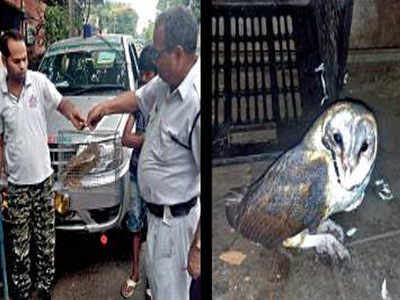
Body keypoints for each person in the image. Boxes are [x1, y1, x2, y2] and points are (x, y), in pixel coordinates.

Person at [87, 6, 200, 300]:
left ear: (176, 53)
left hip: (178, 229)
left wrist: (198, 247)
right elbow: (137, 98)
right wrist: (105, 107)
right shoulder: (165, 85)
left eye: (158, 52)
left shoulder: (195, 104)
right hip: (158, 223)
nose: (153, 58)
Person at [0, 30, 86, 300]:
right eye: (16, 61)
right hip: (16, 186)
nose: (23, 65)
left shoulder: (38, 82)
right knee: (19, 246)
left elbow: (61, 103)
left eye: (25, 58)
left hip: (43, 180)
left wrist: (74, 116)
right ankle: (23, 292)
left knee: (46, 242)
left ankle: (45, 288)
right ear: (4, 61)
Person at [120, 45, 157, 299]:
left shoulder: (165, 102)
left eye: (149, 75)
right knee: (135, 224)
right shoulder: (138, 103)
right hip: (136, 172)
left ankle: (152, 280)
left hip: (156, 177)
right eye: (142, 74)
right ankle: (135, 272)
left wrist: (142, 139)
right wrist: (148, 139)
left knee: (155, 230)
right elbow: (125, 138)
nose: (145, 79)